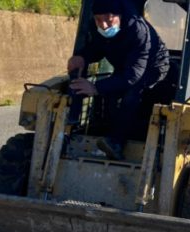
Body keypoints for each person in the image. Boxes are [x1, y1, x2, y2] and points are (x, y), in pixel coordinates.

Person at [68, 0, 171, 160]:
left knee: (131, 95)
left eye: (108, 19)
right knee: (111, 94)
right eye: (98, 19)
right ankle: (89, 126)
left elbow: (133, 76)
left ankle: (117, 143)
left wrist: (95, 87)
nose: (103, 25)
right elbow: (97, 47)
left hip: (153, 66)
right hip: (125, 64)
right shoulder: (97, 28)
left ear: (119, 16)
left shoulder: (138, 30)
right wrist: (82, 57)